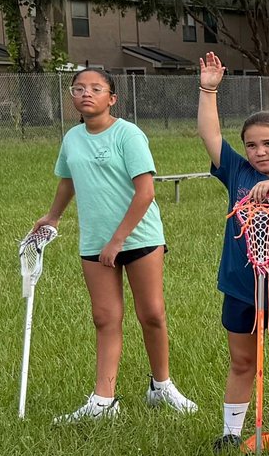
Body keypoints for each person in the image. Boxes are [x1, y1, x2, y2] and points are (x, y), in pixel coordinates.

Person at [31, 67, 196, 422]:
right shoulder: (72, 139)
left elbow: (146, 192)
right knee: (105, 318)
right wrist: (53, 216)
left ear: (112, 97)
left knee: (151, 313)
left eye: (95, 88)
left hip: (140, 237)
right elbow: (67, 182)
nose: (86, 94)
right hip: (94, 241)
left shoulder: (128, 135)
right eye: (78, 89)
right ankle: (103, 401)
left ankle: (161, 386)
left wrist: (118, 240)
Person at [197, 51, 269, 450]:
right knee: (242, 361)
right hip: (241, 285)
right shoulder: (239, 173)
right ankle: (231, 433)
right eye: (251, 145)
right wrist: (209, 89)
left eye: (268, 143)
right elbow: (210, 136)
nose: (260, 152)